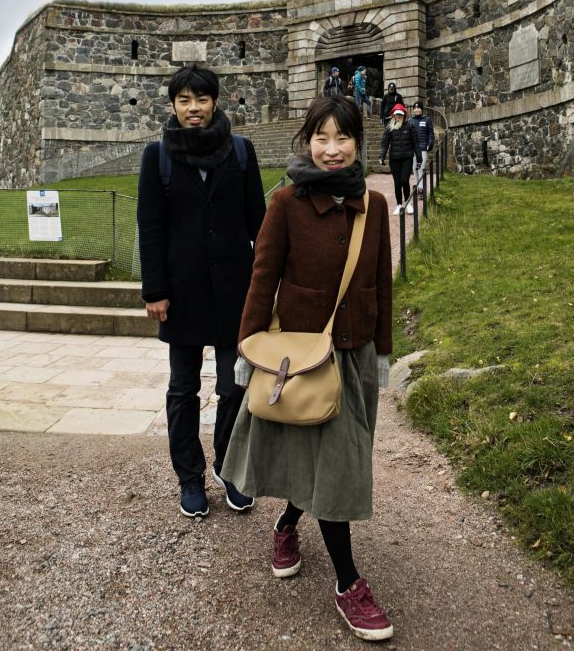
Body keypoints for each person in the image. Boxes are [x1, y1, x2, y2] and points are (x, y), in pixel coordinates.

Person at [222, 95, 395, 642]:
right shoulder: (286, 204)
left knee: (328, 460)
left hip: (356, 355)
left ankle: (287, 521)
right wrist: (246, 350)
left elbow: (382, 285)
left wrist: (384, 352)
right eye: (321, 137)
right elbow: (262, 278)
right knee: (336, 467)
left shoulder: (374, 204)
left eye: (343, 137)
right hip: (300, 361)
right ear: (306, 142)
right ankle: (348, 584)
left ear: (358, 143)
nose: (332, 148)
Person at [137, 65, 266, 519]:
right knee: (183, 390)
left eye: (202, 100)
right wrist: (154, 290)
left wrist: (266, 290)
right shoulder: (158, 158)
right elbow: (150, 228)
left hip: (236, 293)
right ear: (173, 105)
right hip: (182, 294)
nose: (194, 109)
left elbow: (261, 227)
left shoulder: (241, 152)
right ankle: (189, 478)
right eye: (185, 101)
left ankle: (228, 468)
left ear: (215, 102)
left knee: (235, 387)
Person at [379, 103, 422, 216]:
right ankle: (399, 205)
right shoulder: (389, 127)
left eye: (400, 114)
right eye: (397, 114)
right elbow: (384, 143)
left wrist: (419, 159)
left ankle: (407, 203)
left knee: (404, 180)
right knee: (397, 183)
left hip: (407, 157)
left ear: (404, 115)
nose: (398, 116)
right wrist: (381, 156)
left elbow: (416, 143)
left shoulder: (410, 126)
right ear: (393, 115)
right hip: (394, 159)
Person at [411, 100, 435, 194]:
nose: (417, 110)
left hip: (423, 148)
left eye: (418, 108)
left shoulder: (427, 119)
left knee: (421, 167)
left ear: (422, 109)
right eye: (415, 108)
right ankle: (418, 185)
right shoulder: (410, 121)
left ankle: (421, 189)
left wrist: (430, 143)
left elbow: (430, 133)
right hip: (413, 149)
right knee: (414, 168)